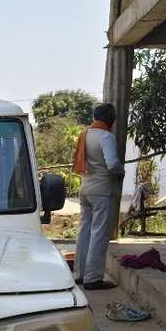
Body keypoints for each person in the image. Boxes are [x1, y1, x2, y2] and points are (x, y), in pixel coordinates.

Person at [73, 102, 125, 290]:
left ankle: (79, 274)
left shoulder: (85, 134)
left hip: (85, 188)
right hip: (102, 191)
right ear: (111, 120)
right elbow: (113, 164)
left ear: (95, 117)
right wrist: (121, 172)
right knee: (99, 235)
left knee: (84, 231)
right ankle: (93, 278)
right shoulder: (106, 136)